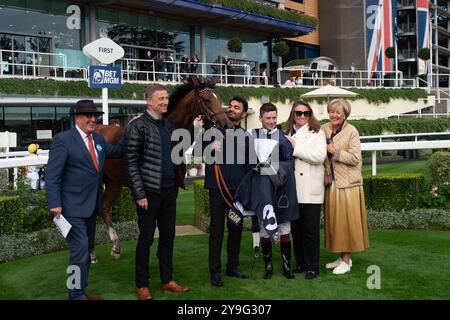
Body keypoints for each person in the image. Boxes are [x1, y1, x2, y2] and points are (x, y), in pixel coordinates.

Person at [45, 100, 124, 300]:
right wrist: (54, 203)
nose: (92, 119)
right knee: (79, 252)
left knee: (86, 251)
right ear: (77, 118)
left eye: (94, 115)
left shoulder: (97, 138)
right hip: (70, 209)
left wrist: (133, 132)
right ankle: (75, 295)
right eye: (87, 115)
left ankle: (80, 291)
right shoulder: (63, 140)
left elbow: (116, 151)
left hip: (91, 207)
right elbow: (52, 175)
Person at [124, 84, 188, 300]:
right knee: (146, 239)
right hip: (149, 194)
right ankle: (142, 285)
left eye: (166, 98)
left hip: (169, 191)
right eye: (160, 98)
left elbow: (179, 151)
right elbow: (130, 162)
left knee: (168, 237)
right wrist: (139, 194)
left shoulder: (168, 125)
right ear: (149, 102)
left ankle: (166, 280)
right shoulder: (138, 126)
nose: (165, 102)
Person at [199, 96, 251, 287]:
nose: (232, 109)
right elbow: (199, 154)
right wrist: (210, 147)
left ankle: (233, 265)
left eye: (237, 107)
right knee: (216, 231)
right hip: (217, 188)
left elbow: (250, 165)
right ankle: (215, 271)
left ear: (243, 113)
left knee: (235, 230)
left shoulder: (246, 136)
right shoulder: (212, 132)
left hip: (237, 192)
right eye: (230, 105)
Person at [322, 99, 369, 275]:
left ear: (345, 115)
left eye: (338, 112)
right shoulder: (323, 129)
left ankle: (347, 260)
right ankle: (341, 257)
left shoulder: (352, 131)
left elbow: (356, 159)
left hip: (348, 184)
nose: (334, 115)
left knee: (346, 222)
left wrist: (336, 152)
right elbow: (322, 156)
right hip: (332, 183)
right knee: (335, 222)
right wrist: (326, 172)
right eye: (331, 111)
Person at [284, 101, 327, 280]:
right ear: (292, 115)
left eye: (306, 113)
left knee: (310, 231)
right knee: (296, 230)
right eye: (298, 113)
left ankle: (312, 266)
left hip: (310, 189)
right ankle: (300, 263)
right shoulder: (286, 133)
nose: (302, 116)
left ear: (310, 115)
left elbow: (319, 156)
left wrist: (296, 148)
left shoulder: (318, 132)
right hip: (292, 189)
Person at [255, 103, 297, 280]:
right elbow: (247, 163)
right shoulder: (253, 137)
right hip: (263, 191)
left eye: (274, 118)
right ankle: (268, 266)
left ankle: (287, 266)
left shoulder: (284, 138)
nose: (271, 121)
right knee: (265, 229)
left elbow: (290, 163)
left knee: (284, 228)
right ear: (260, 119)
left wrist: (275, 169)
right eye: (268, 118)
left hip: (281, 189)